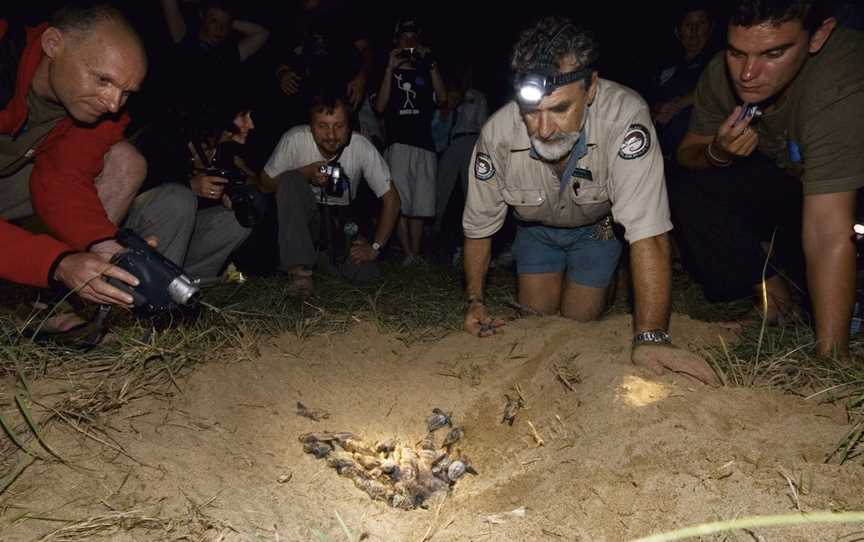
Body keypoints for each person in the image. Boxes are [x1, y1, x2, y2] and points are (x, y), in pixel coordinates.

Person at [461, 16, 718, 385]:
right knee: (539, 322)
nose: (544, 130)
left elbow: (649, 232)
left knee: (579, 322)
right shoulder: (496, 136)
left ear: (591, 89)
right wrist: (475, 301)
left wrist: (650, 336)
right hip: (538, 231)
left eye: (561, 109)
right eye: (531, 112)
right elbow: (478, 230)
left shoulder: (626, 119)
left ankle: (609, 283)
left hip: (598, 228)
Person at [672, 0, 863, 358]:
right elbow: (687, 151)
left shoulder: (840, 82)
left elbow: (827, 229)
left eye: (773, 53)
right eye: (736, 52)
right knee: (689, 186)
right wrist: (719, 152)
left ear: (818, 36)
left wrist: (831, 357)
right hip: (794, 182)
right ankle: (775, 301)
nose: (747, 74)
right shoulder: (720, 74)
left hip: (851, 194)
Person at [0, 3, 148, 316]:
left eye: (126, 92)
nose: (113, 104)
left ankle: (46, 307)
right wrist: (55, 263)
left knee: (125, 160)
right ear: (53, 44)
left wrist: (102, 244)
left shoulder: (92, 111)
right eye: (103, 80)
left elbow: (62, 180)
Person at [260, 93, 400, 295]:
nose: (331, 135)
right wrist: (305, 173)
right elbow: (264, 183)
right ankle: (300, 273)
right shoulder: (295, 139)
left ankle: (326, 263)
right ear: (310, 125)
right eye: (322, 125)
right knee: (290, 178)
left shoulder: (361, 146)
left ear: (349, 127)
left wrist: (374, 247)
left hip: (340, 224)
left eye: (339, 126)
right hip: (303, 223)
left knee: (367, 276)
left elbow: (392, 200)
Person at [124, 99, 255, 282]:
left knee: (236, 220)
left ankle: (190, 282)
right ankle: (155, 285)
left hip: (179, 238)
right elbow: (136, 186)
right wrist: (189, 184)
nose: (251, 124)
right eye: (243, 116)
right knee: (179, 198)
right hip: (134, 231)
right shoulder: (166, 134)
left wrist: (227, 197)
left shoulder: (221, 153)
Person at [374, 16, 446, 266]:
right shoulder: (389, 71)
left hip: (424, 144)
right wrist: (389, 68)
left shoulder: (426, 70)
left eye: (413, 36)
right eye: (404, 36)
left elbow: (444, 97)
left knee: (421, 202)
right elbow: (380, 106)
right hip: (398, 144)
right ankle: (407, 254)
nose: (409, 40)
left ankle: (416, 254)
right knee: (400, 201)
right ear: (396, 40)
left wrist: (432, 63)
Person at [651, 2, 716, 157]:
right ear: (677, 32)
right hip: (660, 156)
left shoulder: (720, 63)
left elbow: (716, 88)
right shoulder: (665, 69)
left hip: (699, 155)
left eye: (700, 23)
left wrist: (678, 104)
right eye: (688, 24)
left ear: (710, 28)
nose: (694, 30)